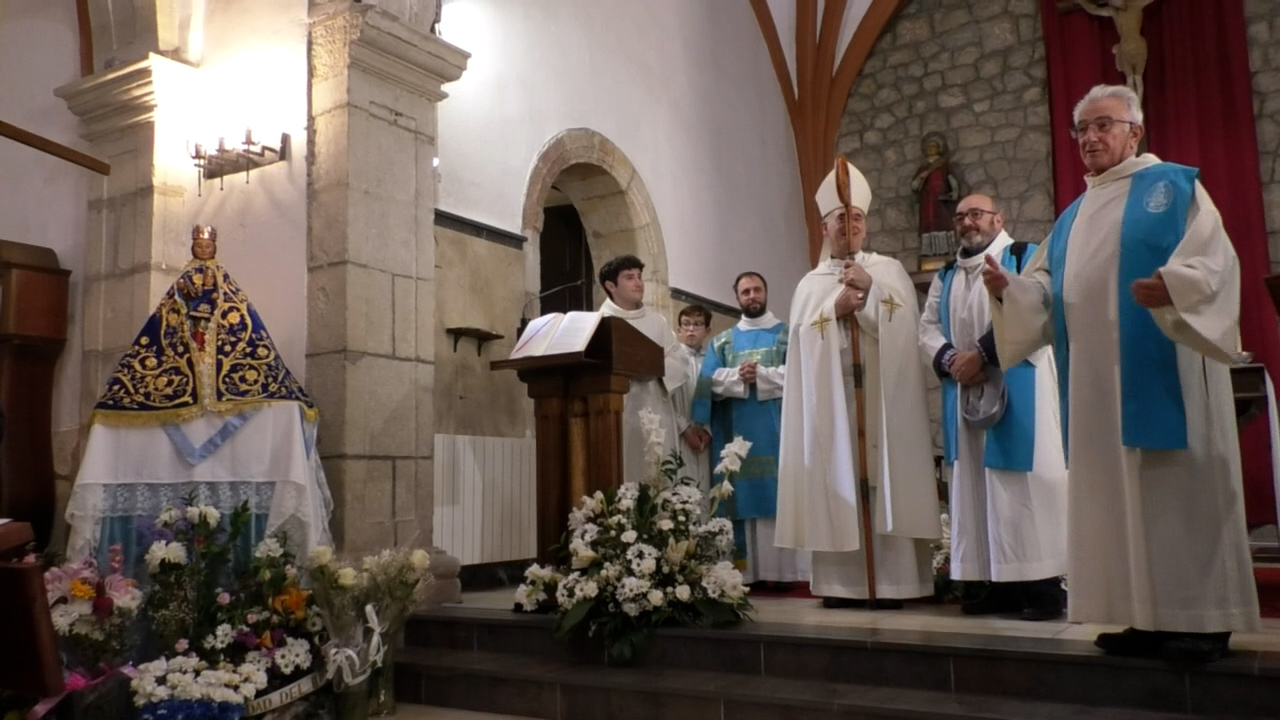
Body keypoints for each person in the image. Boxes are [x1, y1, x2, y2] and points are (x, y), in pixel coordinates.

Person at [983, 84, 1260, 662]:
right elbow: (1044, 292)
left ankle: (1201, 620)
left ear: (1135, 132)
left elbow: (1216, 263)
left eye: (1103, 125)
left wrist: (1176, 287)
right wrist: (1010, 289)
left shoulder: (1174, 186)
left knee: (1175, 493)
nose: (1090, 138)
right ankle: (1143, 615)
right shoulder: (1074, 215)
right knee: (1119, 498)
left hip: (1168, 372)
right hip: (1096, 388)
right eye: (1081, 129)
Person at [67, 225, 333, 572]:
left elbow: (247, 335)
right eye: (199, 244)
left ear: (214, 247)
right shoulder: (181, 288)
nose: (203, 249)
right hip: (183, 381)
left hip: (222, 384)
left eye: (208, 245)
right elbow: (160, 336)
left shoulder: (227, 289)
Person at [776, 157, 941, 609]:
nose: (849, 226)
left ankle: (891, 584)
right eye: (840, 219)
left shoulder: (887, 270)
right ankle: (843, 585)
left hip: (882, 398)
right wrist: (834, 310)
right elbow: (800, 342)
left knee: (883, 480)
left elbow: (907, 327)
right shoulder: (810, 284)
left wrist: (871, 292)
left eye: (857, 219)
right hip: (835, 400)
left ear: (865, 226)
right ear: (825, 228)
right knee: (837, 480)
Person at [919, 194, 1068, 621]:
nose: (968, 222)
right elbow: (927, 328)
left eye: (977, 214)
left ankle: (1044, 589)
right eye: (960, 217)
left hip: (1019, 387)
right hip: (966, 393)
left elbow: (1037, 307)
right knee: (978, 490)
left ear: (998, 219)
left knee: (1024, 489)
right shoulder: (946, 275)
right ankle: (998, 584)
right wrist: (953, 360)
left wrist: (982, 355)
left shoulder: (1022, 256)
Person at [692, 273, 808, 587]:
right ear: (737, 298)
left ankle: (784, 573)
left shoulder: (787, 335)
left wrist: (763, 375)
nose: (752, 296)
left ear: (766, 292)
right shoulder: (722, 341)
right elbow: (707, 380)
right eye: (745, 292)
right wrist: (738, 377)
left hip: (779, 433)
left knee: (778, 496)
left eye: (757, 290)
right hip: (735, 436)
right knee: (740, 498)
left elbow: (803, 374)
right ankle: (748, 573)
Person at [597, 254, 691, 483]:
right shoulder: (600, 323)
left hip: (656, 410)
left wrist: (649, 364)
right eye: (630, 278)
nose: (639, 283)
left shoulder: (657, 322)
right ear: (611, 286)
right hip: (620, 413)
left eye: (639, 276)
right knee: (624, 474)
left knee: (657, 477)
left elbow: (680, 361)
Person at [670, 305, 713, 494]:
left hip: (706, 438)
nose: (691, 330)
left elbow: (719, 399)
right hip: (680, 434)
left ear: (707, 331)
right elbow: (666, 399)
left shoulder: (713, 360)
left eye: (697, 324)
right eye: (686, 324)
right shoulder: (672, 360)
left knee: (706, 490)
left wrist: (708, 431)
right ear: (678, 330)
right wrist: (685, 429)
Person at [912, 132, 961, 257]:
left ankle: (946, 249)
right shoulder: (923, 168)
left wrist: (954, 193)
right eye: (928, 147)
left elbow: (952, 180)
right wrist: (920, 178)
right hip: (927, 200)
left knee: (943, 222)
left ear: (939, 148)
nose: (930, 149)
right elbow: (914, 186)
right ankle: (929, 251)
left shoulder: (944, 165)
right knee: (928, 224)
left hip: (940, 200)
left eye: (933, 146)